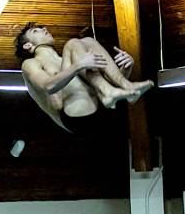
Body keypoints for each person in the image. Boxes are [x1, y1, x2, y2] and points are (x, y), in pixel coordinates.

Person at [14, 22, 153, 136]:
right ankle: (110, 92)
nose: (44, 29)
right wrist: (79, 65)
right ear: (28, 45)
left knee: (88, 41)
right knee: (72, 44)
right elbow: (48, 86)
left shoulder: (70, 60)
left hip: (101, 108)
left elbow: (100, 81)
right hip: (75, 115)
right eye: (35, 31)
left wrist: (125, 68)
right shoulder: (31, 64)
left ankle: (125, 85)